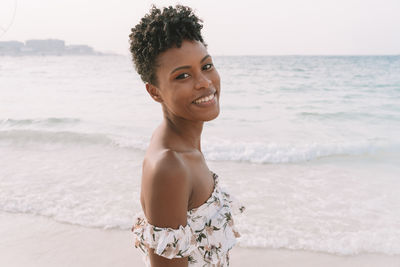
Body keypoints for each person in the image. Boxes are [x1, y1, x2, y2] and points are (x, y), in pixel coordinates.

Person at [129, 5, 245, 267]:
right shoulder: (169, 166)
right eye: (182, 75)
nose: (204, 82)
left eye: (207, 66)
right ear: (155, 92)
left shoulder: (180, 144)